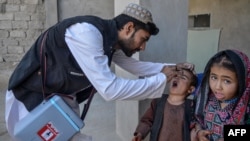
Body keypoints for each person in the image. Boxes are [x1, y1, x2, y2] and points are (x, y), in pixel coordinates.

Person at [5, 3, 194, 141]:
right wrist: (160, 79)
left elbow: (135, 67)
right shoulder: (87, 34)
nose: (143, 47)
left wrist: (174, 67)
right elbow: (109, 89)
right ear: (129, 28)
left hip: (57, 100)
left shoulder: (110, 43)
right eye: (143, 39)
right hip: (31, 98)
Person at [190, 49, 250, 141]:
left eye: (227, 81)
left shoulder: (247, 106)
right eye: (214, 77)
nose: (218, 87)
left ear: (241, 82)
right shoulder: (204, 99)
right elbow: (196, 119)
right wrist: (198, 131)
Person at [132, 68, 198, 141]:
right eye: (175, 75)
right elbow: (146, 120)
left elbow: (196, 126)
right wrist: (140, 133)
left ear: (190, 89)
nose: (177, 78)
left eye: (183, 77)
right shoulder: (158, 101)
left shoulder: (191, 106)